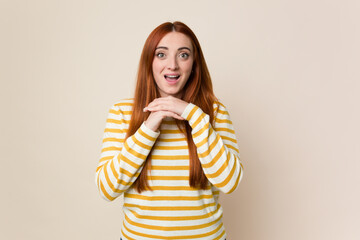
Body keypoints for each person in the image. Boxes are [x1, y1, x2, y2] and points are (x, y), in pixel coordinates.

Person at [95, 21, 244, 240]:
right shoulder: (122, 112)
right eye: (161, 54)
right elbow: (107, 189)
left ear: (194, 64)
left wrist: (193, 114)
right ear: (149, 61)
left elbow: (230, 182)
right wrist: (149, 126)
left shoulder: (213, 113)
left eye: (183, 55)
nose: (172, 65)